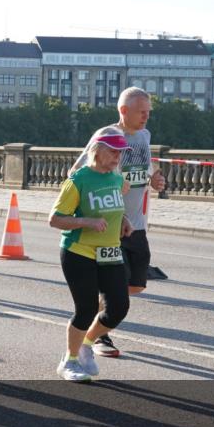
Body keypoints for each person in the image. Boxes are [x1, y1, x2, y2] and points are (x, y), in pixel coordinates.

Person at [78, 87, 166, 358]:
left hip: (136, 225)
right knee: (115, 294)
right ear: (124, 111)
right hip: (110, 226)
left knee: (136, 284)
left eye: (149, 112)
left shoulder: (144, 135)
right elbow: (77, 173)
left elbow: (143, 167)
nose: (146, 117)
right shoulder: (106, 136)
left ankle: (96, 312)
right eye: (141, 112)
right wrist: (111, 185)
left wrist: (153, 178)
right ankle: (97, 335)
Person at [49, 128, 133, 382]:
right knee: (85, 309)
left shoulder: (117, 178)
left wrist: (124, 220)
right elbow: (55, 219)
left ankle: (86, 344)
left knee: (118, 307)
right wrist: (87, 221)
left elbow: (113, 206)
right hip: (79, 252)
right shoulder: (79, 180)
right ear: (96, 151)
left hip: (110, 252)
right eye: (113, 151)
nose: (117, 157)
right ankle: (69, 361)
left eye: (120, 152)